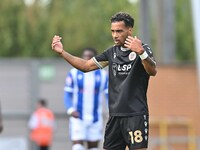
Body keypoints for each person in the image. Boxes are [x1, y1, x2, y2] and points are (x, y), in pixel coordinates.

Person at [51, 12, 157, 150]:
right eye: (112, 31)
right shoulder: (111, 53)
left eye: (119, 31)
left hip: (135, 115)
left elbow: (152, 71)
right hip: (114, 116)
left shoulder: (143, 49)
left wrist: (141, 52)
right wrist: (62, 52)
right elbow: (85, 66)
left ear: (130, 30)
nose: (115, 35)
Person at [64, 47, 108, 150]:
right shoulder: (73, 73)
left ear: (95, 59)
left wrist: (111, 110)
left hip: (95, 118)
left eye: (90, 57)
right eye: (85, 56)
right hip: (78, 117)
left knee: (93, 147)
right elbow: (67, 93)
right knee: (77, 146)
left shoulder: (103, 75)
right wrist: (70, 109)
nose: (87, 59)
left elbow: (108, 95)